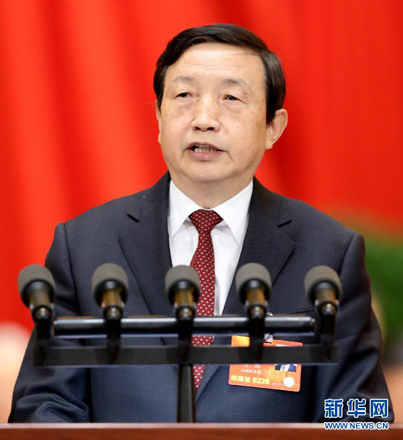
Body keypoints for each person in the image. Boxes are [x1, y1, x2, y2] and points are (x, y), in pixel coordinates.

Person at [10, 24, 393, 423]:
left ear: (272, 127)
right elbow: (43, 406)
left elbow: (359, 416)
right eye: (184, 96)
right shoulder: (84, 246)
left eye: (231, 98)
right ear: (159, 118)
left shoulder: (329, 254)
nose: (204, 119)